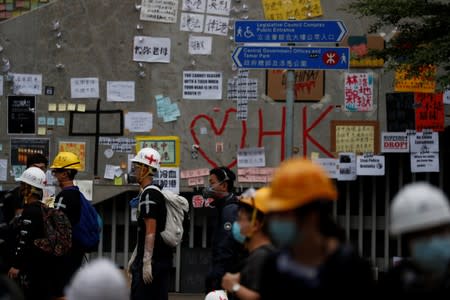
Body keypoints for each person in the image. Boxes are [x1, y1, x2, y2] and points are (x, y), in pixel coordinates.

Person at [259, 158, 375, 297]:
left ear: (312, 214)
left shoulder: (351, 267)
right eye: (274, 213)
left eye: (284, 214)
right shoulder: (273, 265)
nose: (275, 221)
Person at [378, 182, 450, 292]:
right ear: (406, 240)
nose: (432, 242)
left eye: (438, 231)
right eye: (420, 234)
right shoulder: (394, 281)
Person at [127, 147, 173, 300]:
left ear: (146, 169)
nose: (134, 170)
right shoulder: (153, 192)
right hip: (160, 260)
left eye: (137, 167)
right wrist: (135, 256)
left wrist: (146, 261)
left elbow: (150, 229)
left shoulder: (149, 194)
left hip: (154, 262)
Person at [7, 167, 55, 300]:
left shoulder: (30, 211)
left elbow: (24, 240)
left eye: (23, 185)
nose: (21, 189)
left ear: (30, 188)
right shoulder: (45, 208)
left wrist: (16, 265)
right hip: (44, 265)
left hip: (32, 267)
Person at [221, 187, 276, 300]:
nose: (236, 224)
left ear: (255, 225)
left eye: (240, 219)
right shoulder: (264, 254)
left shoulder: (260, 257)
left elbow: (256, 297)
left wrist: (234, 286)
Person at [0, 153, 48, 273]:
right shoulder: (18, 194)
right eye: (35, 167)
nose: (38, 171)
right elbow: (20, 228)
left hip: (36, 255)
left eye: (42, 168)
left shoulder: (48, 196)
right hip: (13, 251)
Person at [204, 167, 245, 297]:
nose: (209, 186)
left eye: (212, 182)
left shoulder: (230, 209)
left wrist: (217, 277)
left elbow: (226, 248)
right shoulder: (222, 207)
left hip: (225, 277)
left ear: (224, 185)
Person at [49, 151, 84, 299]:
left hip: (66, 252)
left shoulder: (64, 196)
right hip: (75, 249)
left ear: (66, 173)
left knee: (61, 287)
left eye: (56, 171)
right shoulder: (77, 193)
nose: (55, 175)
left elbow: (58, 224)